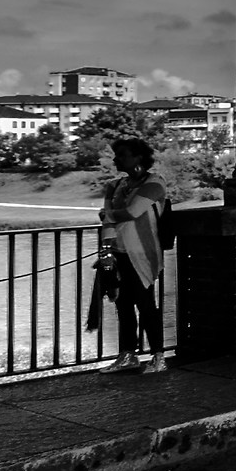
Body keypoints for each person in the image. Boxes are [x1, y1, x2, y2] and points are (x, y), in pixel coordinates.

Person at [97, 138, 170, 374]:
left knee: (145, 303)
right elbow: (109, 221)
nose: (117, 159)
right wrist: (106, 251)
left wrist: (107, 214)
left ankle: (158, 356)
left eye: (122, 155)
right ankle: (128, 354)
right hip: (117, 252)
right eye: (116, 155)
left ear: (138, 157)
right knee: (123, 304)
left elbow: (131, 211)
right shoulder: (115, 185)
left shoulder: (154, 183)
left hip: (142, 253)